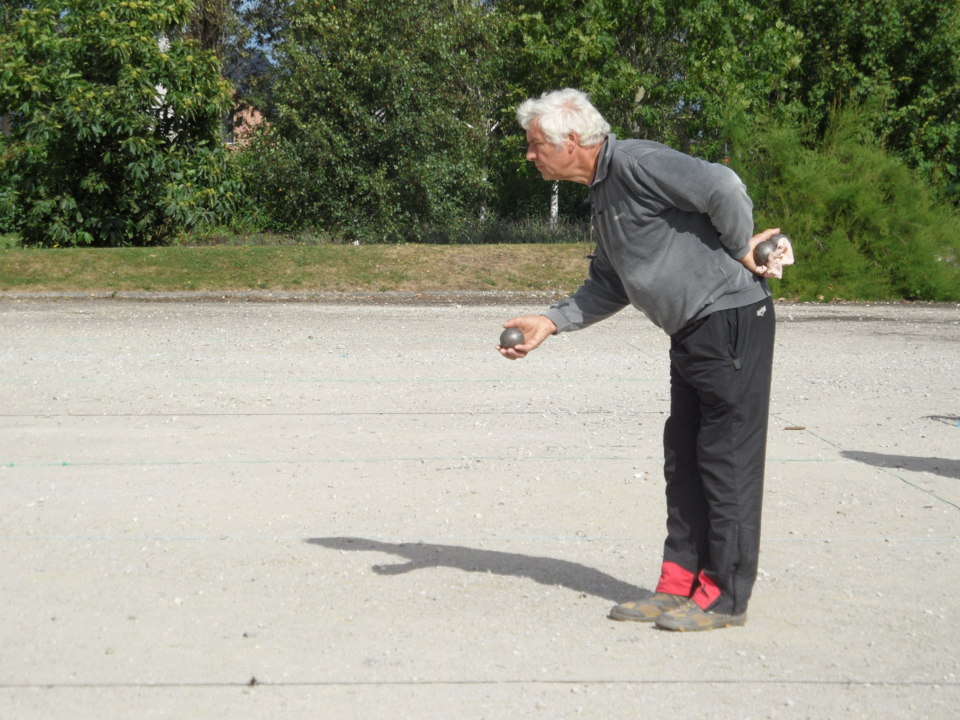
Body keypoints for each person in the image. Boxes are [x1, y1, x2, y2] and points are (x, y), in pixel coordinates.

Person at [498, 88, 780, 631]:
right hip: (693, 331)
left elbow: (722, 184)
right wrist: (550, 322)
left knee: (725, 459)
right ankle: (678, 586)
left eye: (535, 145)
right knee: (684, 458)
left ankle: (724, 598)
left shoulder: (636, 163)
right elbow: (610, 283)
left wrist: (742, 247)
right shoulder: (602, 195)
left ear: (571, 140)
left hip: (730, 320)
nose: (529, 155)